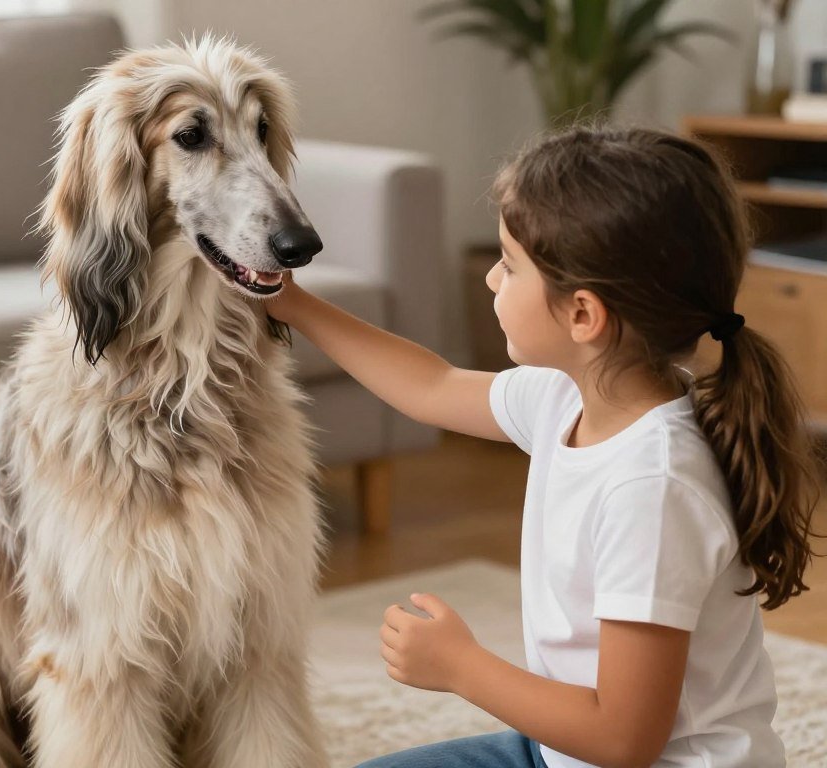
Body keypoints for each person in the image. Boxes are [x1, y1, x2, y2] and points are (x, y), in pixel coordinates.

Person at [265, 126, 821, 768]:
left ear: (583, 315)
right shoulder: (567, 395)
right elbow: (431, 385)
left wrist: (463, 667)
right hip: (561, 751)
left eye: (510, 264)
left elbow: (624, 739)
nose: (491, 281)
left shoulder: (654, 489)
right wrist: (292, 303)